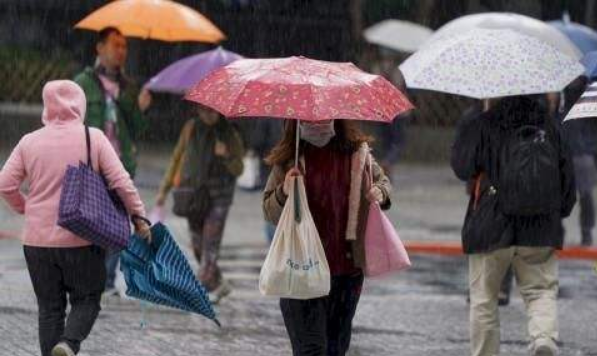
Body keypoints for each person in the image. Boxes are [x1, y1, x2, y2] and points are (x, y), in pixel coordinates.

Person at [0, 80, 151, 356]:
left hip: (37, 243)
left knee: (49, 309)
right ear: (80, 105)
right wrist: (138, 216)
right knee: (88, 298)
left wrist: (26, 208)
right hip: (81, 239)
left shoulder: (29, 142)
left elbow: (5, 185)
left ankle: (55, 350)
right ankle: (68, 344)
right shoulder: (92, 137)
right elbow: (122, 183)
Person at [451, 96, 576, 356]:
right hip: (541, 226)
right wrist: (556, 212)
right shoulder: (550, 125)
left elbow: (462, 167)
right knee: (540, 290)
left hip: (492, 224)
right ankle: (543, 338)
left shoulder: (485, 122)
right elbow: (567, 181)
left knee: (484, 299)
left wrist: (479, 122)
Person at [262, 119, 392, 356]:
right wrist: (284, 191)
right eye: (309, 116)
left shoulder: (356, 153)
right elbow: (268, 210)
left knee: (335, 349)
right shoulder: (290, 157)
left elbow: (383, 181)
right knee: (311, 350)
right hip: (301, 270)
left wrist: (380, 192)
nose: (317, 120)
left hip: (345, 273)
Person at [74, 27, 152, 295]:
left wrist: (140, 107)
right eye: (116, 45)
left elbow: (139, 129)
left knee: (119, 225)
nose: (121, 51)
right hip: (92, 167)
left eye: (124, 46)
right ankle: (92, 277)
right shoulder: (82, 84)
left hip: (121, 165)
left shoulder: (129, 88)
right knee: (93, 224)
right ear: (100, 48)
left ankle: (106, 281)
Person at [155, 107, 244, 303]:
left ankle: (202, 290)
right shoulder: (191, 128)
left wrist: (226, 155)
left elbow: (239, 168)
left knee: (210, 245)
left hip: (219, 197)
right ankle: (218, 283)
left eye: (211, 112)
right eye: (203, 111)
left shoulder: (230, 133)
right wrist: (164, 189)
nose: (207, 115)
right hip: (194, 195)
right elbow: (177, 158)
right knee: (197, 246)